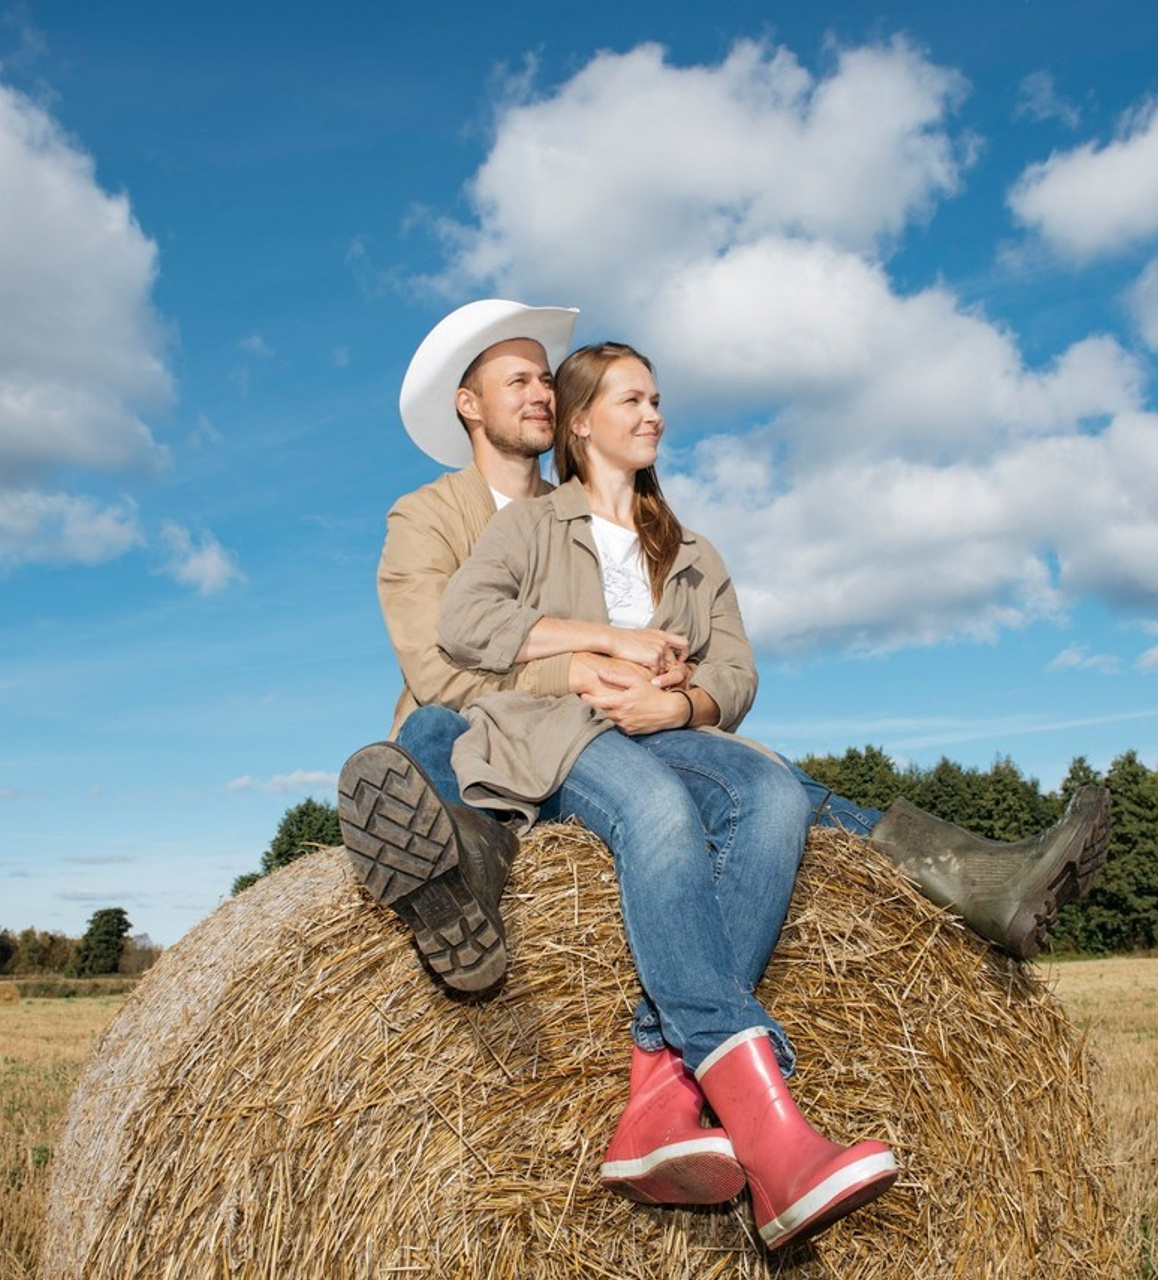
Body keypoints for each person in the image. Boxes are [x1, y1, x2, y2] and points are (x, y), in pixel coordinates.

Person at [339, 299, 1109, 998]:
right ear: (468, 406)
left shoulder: (603, 516)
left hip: (599, 735)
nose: (541, 392)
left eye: (547, 379)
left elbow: (705, 655)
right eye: (518, 382)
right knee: (427, 735)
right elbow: (440, 669)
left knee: (771, 787)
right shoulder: (426, 518)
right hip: (476, 735)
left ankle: (973, 878)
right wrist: (586, 664)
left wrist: (674, 681)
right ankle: (469, 867)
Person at [432, 340, 898, 1249]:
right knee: (658, 813)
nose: (653, 416)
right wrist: (606, 644)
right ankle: (772, 1137)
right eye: (632, 401)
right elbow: (464, 621)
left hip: (672, 733)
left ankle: (658, 1086)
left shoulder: (691, 550)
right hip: (558, 735)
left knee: (772, 793)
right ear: (579, 423)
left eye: (656, 401)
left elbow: (738, 670)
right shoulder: (529, 526)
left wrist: (676, 700)